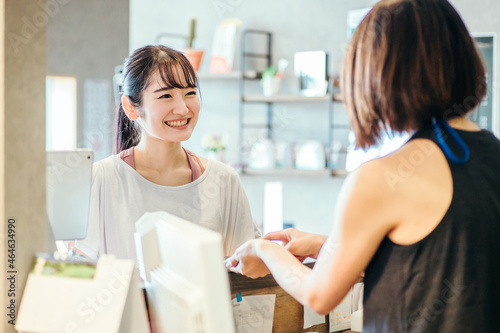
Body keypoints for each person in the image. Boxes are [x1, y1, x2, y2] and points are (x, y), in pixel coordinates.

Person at [225, 0, 500, 331]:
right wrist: (323, 244)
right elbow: (434, 258)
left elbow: (318, 294)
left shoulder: (383, 177)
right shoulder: (492, 153)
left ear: (375, 77)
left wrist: (264, 249)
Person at [76, 45, 260, 260]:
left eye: (190, 93)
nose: (182, 109)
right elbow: (83, 272)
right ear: (130, 107)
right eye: (165, 96)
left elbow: (246, 275)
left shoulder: (223, 180)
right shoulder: (102, 178)